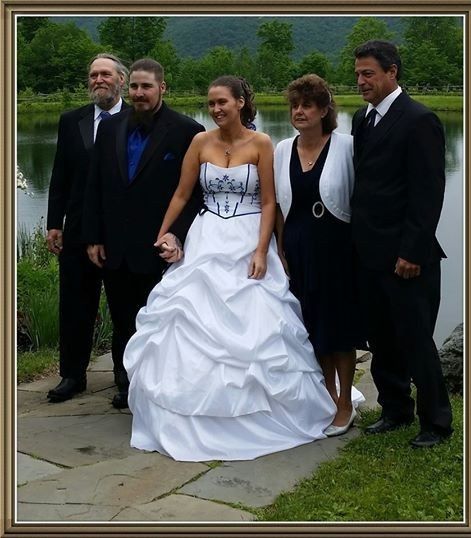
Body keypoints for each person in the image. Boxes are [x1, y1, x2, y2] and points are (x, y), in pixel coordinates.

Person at [122, 75, 363, 462]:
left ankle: (302, 403)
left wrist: (262, 251)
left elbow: (269, 202)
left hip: (249, 237)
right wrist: (165, 233)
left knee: (263, 319)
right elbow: (182, 194)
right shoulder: (200, 142)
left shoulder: (263, 143)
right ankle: (194, 409)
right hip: (206, 238)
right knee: (188, 318)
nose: (216, 109)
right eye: (211, 103)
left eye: (222, 102)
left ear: (240, 103)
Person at [82, 58, 204, 409]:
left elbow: (195, 194)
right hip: (115, 245)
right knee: (122, 321)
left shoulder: (187, 131)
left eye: (146, 86)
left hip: (159, 247)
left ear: (162, 87)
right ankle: (126, 384)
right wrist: (93, 236)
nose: (139, 93)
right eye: (134, 86)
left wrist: (176, 235)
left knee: (160, 320)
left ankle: (161, 387)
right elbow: (95, 185)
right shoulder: (109, 128)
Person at [351, 40, 453, 448]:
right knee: (381, 338)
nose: (361, 81)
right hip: (369, 252)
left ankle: (436, 423)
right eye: (358, 74)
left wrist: (411, 251)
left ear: (392, 72)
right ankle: (395, 409)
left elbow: (428, 193)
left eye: (368, 74)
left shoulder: (419, 120)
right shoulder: (362, 119)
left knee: (416, 340)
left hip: (407, 255)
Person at [274, 74, 365, 437]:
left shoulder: (347, 146)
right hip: (298, 249)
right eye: (295, 105)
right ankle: (326, 396)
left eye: (308, 105)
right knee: (312, 326)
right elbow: (278, 206)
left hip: (337, 249)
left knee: (338, 326)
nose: (299, 111)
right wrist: (280, 248)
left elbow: (362, 199)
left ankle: (345, 403)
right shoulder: (282, 149)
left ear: (325, 110)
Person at [46, 53, 130, 403]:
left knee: (125, 306)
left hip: (122, 230)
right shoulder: (71, 120)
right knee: (75, 304)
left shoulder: (136, 119)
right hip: (78, 227)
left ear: (121, 80)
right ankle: (72, 375)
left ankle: (125, 376)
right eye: (93, 75)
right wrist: (55, 222)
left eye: (105, 74)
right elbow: (60, 175)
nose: (98, 80)